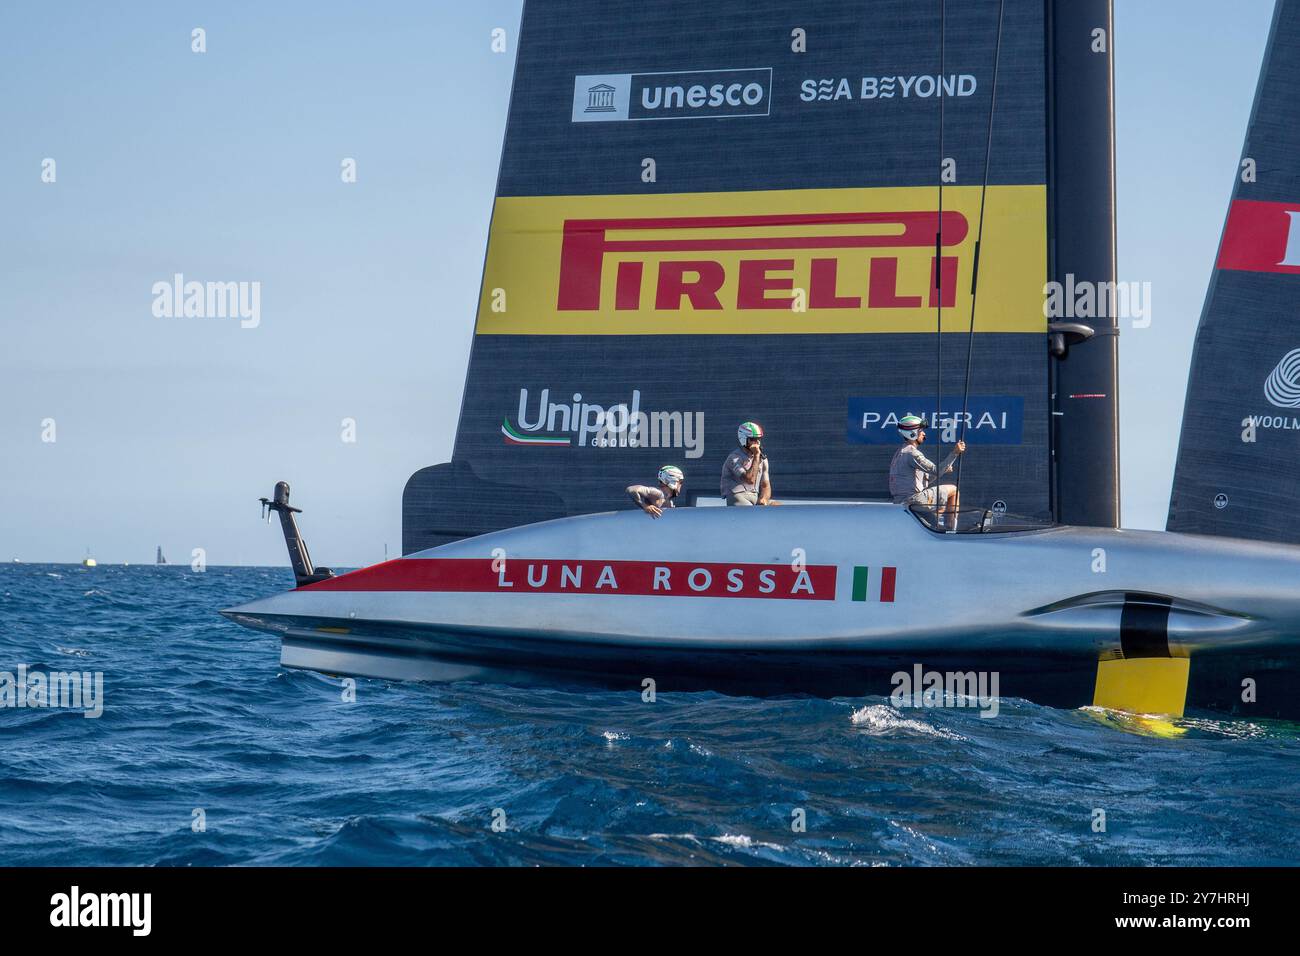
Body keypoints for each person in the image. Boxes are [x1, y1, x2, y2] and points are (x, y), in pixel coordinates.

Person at [888, 413, 966, 529]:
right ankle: (951, 529)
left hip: (900, 502)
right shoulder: (912, 453)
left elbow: (925, 481)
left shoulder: (900, 453)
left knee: (941, 504)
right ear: (912, 433)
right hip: (915, 499)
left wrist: (943, 470)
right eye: (920, 431)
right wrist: (955, 452)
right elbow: (936, 470)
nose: (923, 434)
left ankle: (934, 522)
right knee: (954, 491)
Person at [720, 421, 773, 506]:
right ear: (743, 439)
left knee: (776, 505)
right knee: (750, 513)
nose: (757, 442)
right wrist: (756, 455)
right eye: (753, 439)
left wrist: (764, 498)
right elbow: (749, 480)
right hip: (738, 496)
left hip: (755, 496)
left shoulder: (763, 459)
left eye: (759, 439)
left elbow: (765, 484)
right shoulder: (734, 458)